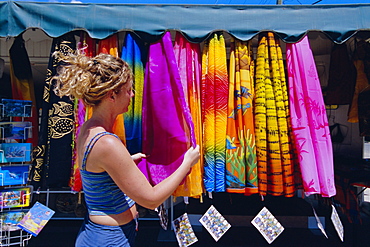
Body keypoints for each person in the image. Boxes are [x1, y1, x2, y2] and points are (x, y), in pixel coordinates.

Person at [53, 52, 200, 247]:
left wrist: (125, 163)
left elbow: (97, 171)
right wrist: (187, 163)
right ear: (111, 94)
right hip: (108, 239)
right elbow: (151, 200)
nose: (132, 95)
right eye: (129, 90)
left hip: (101, 233)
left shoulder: (88, 128)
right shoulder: (107, 143)